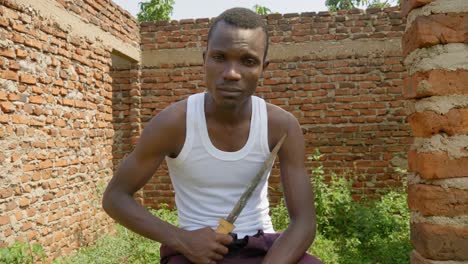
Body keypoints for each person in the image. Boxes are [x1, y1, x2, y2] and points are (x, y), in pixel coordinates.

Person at [102, 7, 322, 264]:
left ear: (263, 67)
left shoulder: (281, 126)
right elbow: (115, 197)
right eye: (219, 57)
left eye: (248, 61)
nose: (231, 73)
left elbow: (304, 222)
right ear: (205, 59)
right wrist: (183, 239)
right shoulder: (174, 123)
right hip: (195, 253)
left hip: (262, 248)